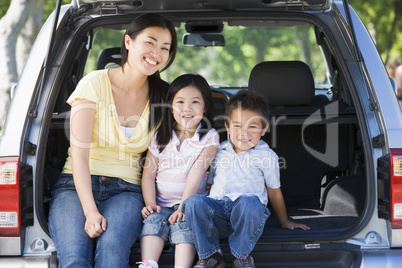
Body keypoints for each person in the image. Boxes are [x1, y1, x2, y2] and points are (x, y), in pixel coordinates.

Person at [48, 13, 177, 268]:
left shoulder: (164, 96)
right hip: (74, 188)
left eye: (165, 48)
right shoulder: (93, 84)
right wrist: (90, 211)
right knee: (75, 260)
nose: (157, 53)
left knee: (113, 257)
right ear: (128, 42)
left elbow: (176, 149)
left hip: (127, 190)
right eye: (150, 43)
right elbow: (79, 155)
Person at [183, 90, 310, 268]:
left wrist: (284, 221)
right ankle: (211, 256)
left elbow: (273, 191)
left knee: (250, 204)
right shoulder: (219, 151)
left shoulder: (266, 156)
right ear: (227, 127)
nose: (243, 133)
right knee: (193, 202)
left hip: (246, 216)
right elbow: (210, 183)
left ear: (264, 128)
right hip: (218, 213)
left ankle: (240, 255)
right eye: (237, 126)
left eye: (252, 126)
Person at [138, 74, 220, 268]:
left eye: (195, 102)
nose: (187, 109)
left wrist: (183, 206)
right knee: (153, 222)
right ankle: (148, 264)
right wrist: (150, 204)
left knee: (185, 225)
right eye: (180, 102)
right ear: (170, 105)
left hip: (191, 204)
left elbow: (197, 173)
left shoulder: (209, 137)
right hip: (161, 204)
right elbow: (148, 176)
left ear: (205, 107)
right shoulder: (160, 136)